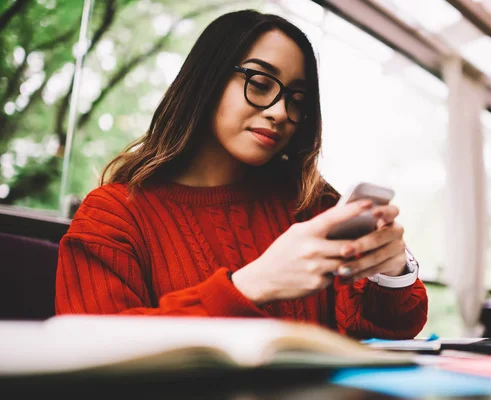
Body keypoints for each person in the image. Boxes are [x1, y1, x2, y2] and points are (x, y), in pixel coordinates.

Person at [55, 9, 428, 339]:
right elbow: (92, 351)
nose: (280, 112)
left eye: (297, 100)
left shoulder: (311, 205)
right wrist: (250, 286)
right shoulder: (114, 215)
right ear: (207, 80)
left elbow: (382, 331)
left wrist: (393, 270)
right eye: (261, 83)